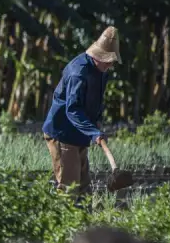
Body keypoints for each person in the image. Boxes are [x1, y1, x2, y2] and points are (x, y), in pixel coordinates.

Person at [41, 26, 121, 198]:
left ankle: (85, 224)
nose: (110, 64)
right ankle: (65, 223)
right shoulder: (78, 73)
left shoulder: (101, 71)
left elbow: (95, 101)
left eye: (112, 61)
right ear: (97, 56)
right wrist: (93, 132)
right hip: (63, 132)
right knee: (69, 189)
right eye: (108, 60)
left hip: (79, 133)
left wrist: (96, 123)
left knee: (84, 190)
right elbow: (73, 109)